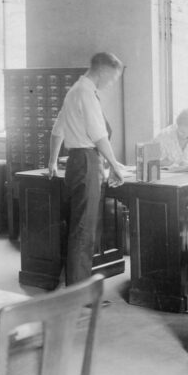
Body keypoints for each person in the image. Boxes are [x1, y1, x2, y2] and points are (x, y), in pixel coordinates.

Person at [48, 52, 127, 286]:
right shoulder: (86, 94)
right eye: (112, 78)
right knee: (84, 230)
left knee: (80, 227)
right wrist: (115, 166)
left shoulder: (74, 91)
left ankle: (76, 287)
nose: (111, 83)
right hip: (87, 162)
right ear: (103, 71)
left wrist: (52, 161)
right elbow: (99, 135)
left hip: (76, 162)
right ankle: (79, 293)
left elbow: (57, 130)